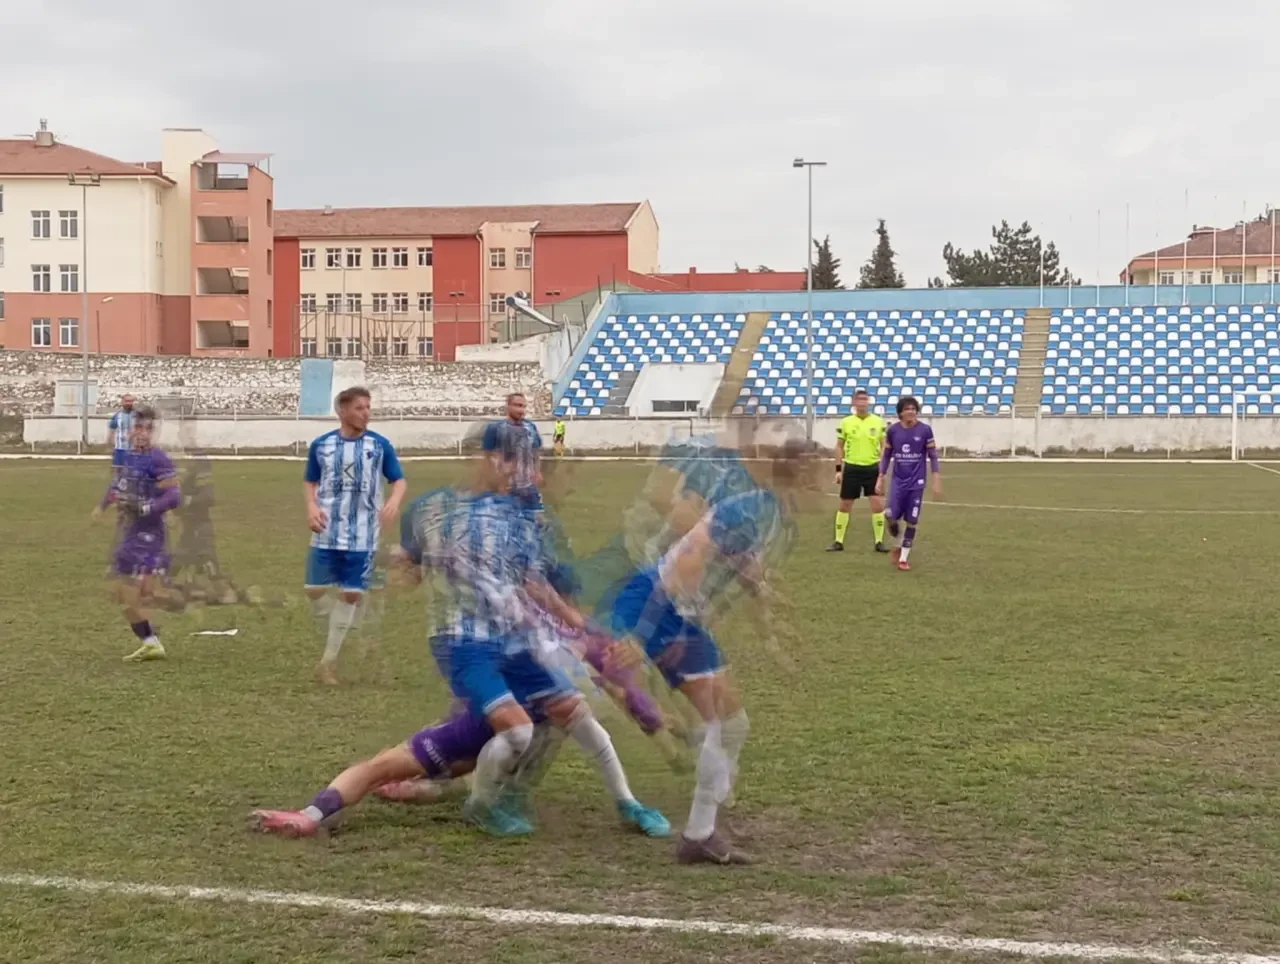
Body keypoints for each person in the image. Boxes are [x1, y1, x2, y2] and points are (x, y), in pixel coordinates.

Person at [252, 431, 668, 840]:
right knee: (511, 733)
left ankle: (626, 803)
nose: (526, 475)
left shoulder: (516, 522)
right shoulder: (435, 511)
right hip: (468, 660)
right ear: (485, 459)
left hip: (497, 664)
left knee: (562, 719)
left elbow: (534, 587)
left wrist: (578, 625)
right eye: (515, 463)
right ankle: (481, 805)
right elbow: (377, 769)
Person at [605, 440, 808, 866]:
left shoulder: (768, 511)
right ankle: (700, 829)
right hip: (663, 607)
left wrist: (767, 605)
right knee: (723, 720)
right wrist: (648, 633)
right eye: (824, 472)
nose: (832, 480)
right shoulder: (754, 508)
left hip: (675, 612)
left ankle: (705, 815)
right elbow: (689, 557)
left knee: (731, 723)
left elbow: (740, 562)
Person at [303, 386, 406, 685]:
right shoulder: (322, 445)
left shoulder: (379, 445)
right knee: (314, 590)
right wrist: (311, 507)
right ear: (342, 411)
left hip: (363, 533)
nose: (366, 413)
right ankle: (349, 626)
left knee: (351, 593)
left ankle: (328, 661)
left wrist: (393, 502)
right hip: (326, 530)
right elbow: (310, 481)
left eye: (368, 407)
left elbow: (398, 480)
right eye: (360, 408)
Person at [92, 406, 182, 662]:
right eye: (138, 428)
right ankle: (150, 640)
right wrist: (103, 505)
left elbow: (174, 495)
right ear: (130, 430)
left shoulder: (158, 459)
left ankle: (162, 593)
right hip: (130, 533)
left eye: (148, 429)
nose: (142, 433)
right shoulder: (130, 457)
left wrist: (147, 507)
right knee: (121, 594)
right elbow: (117, 485)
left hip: (150, 536)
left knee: (136, 590)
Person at [875, 396, 943, 572]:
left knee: (912, 521)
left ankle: (903, 558)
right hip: (898, 481)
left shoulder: (925, 430)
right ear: (900, 413)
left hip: (917, 483)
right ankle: (898, 543)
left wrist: (936, 479)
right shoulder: (893, 431)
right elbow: (887, 456)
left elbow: (933, 456)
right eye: (907, 409)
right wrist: (880, 477)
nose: (911, 411)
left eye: (913, 408)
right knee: (889, 515)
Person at [828, 389, 889, 553]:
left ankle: (879, 542)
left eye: (865, 399)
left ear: (868, 401)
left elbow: (884, 445)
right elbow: (839, 447)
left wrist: (882, 469)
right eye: (859, 399)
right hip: (852, 468)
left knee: (877, 505)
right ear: (854, 402)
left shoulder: (878, 422)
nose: (862, 402)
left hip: (872, 468)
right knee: (845, 505)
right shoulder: (846, 422)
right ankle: (838, 541)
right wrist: (838, 470)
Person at [482, 392, 542, 511]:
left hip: (529, 486)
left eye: (523, 406)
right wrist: (497, 481)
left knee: (538, 521)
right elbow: (487, 457)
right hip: (506, 487)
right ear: (508, 406)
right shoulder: (495, 428)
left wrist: (537, 472)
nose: (521, 410)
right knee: (507, 524)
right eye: (517, 405)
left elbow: (535, 453)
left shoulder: (531, 427)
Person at [106, 394, 137, 475]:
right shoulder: (117, 415)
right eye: (127, 401)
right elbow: (111, 431)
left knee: (134, 472)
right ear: (122, 402)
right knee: (118, 471)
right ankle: (117, 486)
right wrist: (110, 446)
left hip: (135, 449)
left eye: (131, 401)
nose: (129, 403)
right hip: (120, 449)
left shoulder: (138, 415)